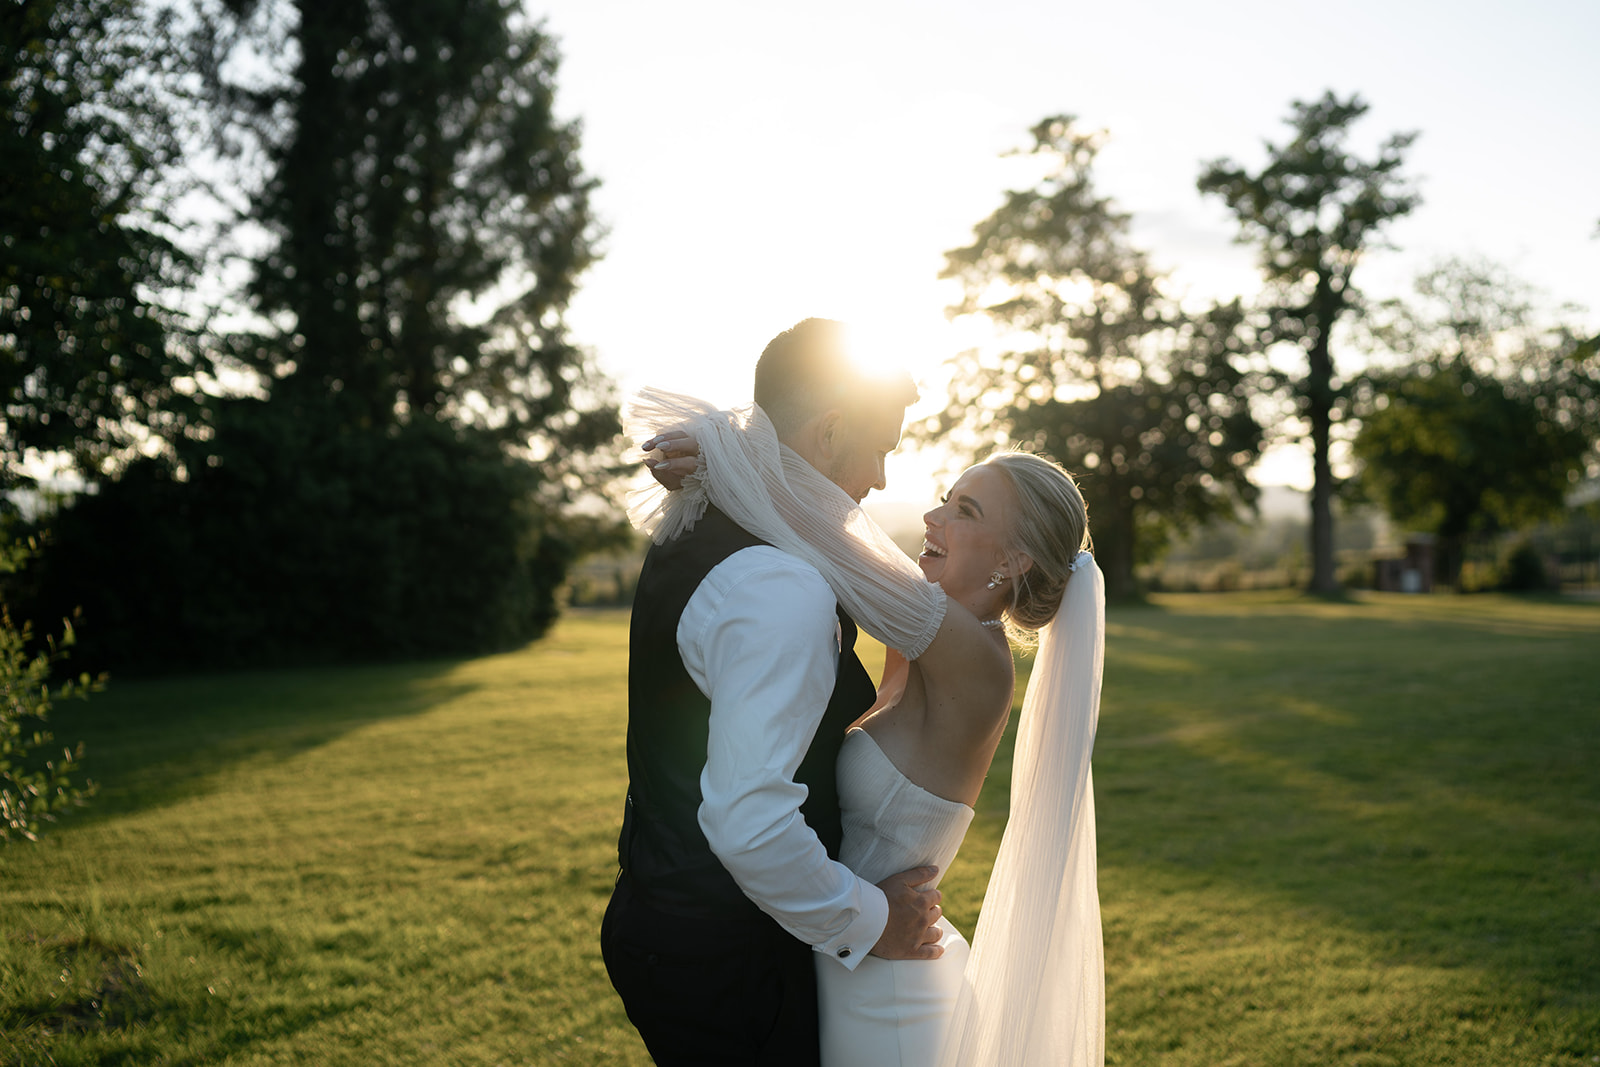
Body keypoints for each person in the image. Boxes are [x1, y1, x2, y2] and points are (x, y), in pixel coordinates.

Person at [631, 390, 1106, 1065]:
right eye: (946, 496)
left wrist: (734, 457)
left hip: (887, 987)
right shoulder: (920, 649)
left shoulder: (978, 659)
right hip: (846, 957)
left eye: (964, 511)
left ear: (1017, 559)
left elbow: (841, 543)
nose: (930, 515)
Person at [600, 318, 952, 1067]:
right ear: (827, 434)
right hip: (727, 960)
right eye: (881, 446)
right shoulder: (778, 584)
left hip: (670, 922)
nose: (883, 479)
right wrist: (873, 918)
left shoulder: (709, 509)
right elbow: (749, 820)